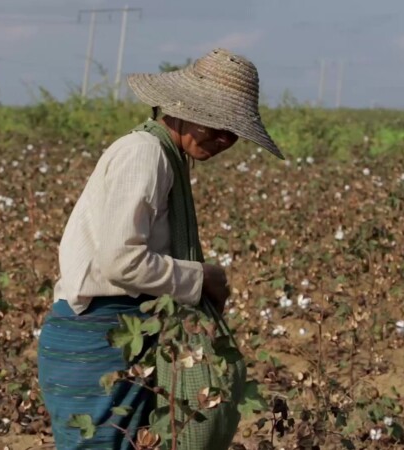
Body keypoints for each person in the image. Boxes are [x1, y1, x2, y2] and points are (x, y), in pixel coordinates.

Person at [37, 48, 284, 449]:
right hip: (99, 335)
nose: (225, 138)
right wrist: (201, 278)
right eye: (216, 123)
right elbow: (120, 261)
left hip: (122, 332)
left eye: (234, 130)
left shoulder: (167, 158)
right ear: (183, 108)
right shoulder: (144, 153)